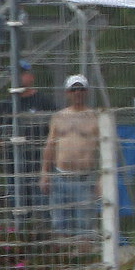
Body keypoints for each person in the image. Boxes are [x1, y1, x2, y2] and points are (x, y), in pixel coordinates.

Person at [39, 74, 97, 233]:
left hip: (84, 179)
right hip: (60, 178)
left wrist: (101, 179)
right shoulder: (59, 117)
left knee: (83, 225)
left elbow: (103, 150)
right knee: (59, 224)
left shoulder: (95, 117)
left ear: (86, 92)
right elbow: (50, 145)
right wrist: (45, 173)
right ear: (68, 93)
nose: (77, 92)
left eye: (80, 89)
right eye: (74, 90)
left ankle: (85, 257)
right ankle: (63, 256)